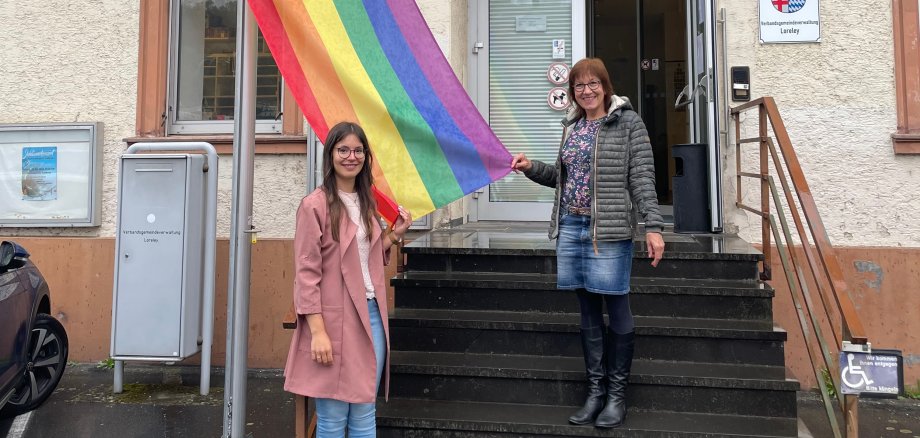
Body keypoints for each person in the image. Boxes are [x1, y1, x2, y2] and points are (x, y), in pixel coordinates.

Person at [510, 58, 665, 429]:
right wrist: (531, 167)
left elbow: (642, 176)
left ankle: (616, 396)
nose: (586, 90)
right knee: (587, 309)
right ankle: (595, 393)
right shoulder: (573, 126)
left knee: (617, 305)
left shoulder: (628, 122)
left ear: (605, 85)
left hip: (608, 230)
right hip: (572, 226)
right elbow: (562, 179)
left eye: (593, 83)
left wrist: (654, 226)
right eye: (579, 85)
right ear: (573, 92)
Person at [283, 121, 411, 437]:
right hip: (332, 320)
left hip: (371, 318)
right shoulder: (314, 205)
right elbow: (306, 274)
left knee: (366, 412)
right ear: (330, 155)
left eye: (358, 150)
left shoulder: (367, 202)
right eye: (343, 150)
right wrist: (318, 332)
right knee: (332, 417)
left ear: (366, 157)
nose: (350, 156)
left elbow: (365, 258)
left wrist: (394, 236)